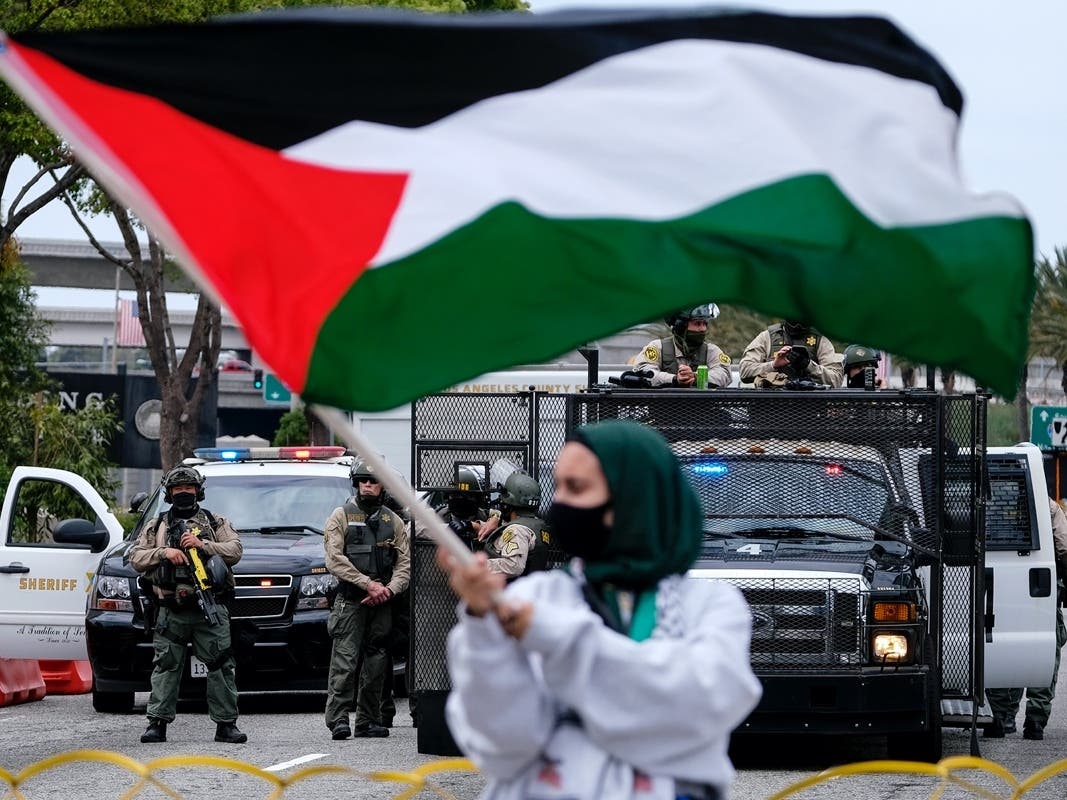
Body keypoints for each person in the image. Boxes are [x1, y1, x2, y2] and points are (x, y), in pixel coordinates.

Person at [439, 420, 761, 800]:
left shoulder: (711, 607)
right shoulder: (538, 596)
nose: (559, 505)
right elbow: (504, 748)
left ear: (633, 498)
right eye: (558, 487)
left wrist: (558, 638)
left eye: (576, 488)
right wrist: (484, 630)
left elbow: (697, 706)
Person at [128, 465, 246, 744]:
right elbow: (135, 557)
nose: (183, 493)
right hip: (171, 608)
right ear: (169, 493)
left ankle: (226, 724)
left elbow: (236, 550)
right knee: (166, 665)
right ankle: (157, 723)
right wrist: (165, 552)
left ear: (198, 491)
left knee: (221, 664)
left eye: (188, 488)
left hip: (210, 606)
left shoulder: (214, 522)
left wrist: (203, 545)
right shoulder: (156, 526)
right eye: (178, 489)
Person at [324, 457, 411, 739]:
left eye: (373, 481)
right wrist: (367, 584)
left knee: (376, 662)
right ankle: (338, 719)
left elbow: (404, 565)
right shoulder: (341, 516)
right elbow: (334, 560)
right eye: (363, 481)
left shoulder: (393, 521)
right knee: (345, 661)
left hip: (382, 604)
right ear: (356, 483)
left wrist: (388, 589)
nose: (368, 486)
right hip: (351, 601)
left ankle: (368, 719)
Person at [985, 497, 1067, 740]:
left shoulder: (988, 501)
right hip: (1040, 587)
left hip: (996, 587)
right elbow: (1063, 545)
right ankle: (1035, 720)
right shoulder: (1048, 505)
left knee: (999, 646)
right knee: (1044, 649)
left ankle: (1000, 717)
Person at [633, 304, 732, 388]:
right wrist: (674, 379)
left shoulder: (711, 350)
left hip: (702, 409)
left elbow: (724, 374)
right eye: (697, 323)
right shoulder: (658, 347)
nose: (703, 329)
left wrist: (696, 377)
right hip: (664, 409)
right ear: (681, 326)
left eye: (705, 323)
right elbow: (642, 372)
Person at [476, 470, 551, 578]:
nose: (501, 503)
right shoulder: (535, 524)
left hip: (512, 590)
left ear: (509, 505)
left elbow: (513, 566)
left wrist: (478, 566)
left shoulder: (517, 530)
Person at [739, 319, 843, 388]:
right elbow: (744, 371)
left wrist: (808, 365)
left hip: (809, 410)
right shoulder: (767, 338)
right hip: (770, 408)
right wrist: (773, 365)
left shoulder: (820, 341)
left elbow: (836, 380)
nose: (797, 323)